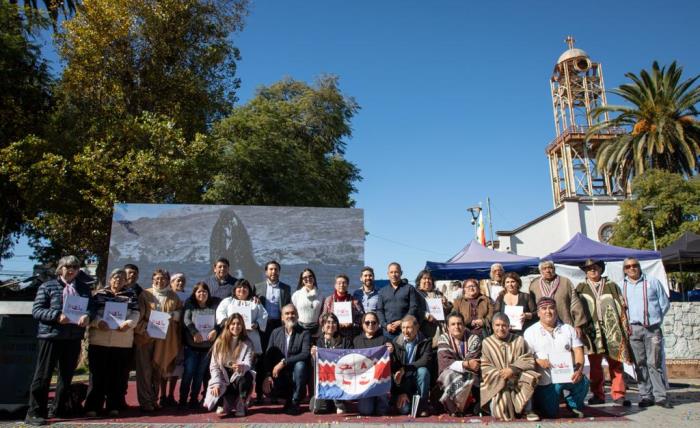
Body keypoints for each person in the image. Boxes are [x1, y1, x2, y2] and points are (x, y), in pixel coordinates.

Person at [25, 256, 96, 426]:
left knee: (66, 376)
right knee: (43, 376)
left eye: (75, 267)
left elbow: (91, 308)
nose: (71, 269)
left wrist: (87, 316)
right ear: (60, 268)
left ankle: (59, 408)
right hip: (51, 336)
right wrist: (57, 316)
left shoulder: (84, 289)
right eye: (67, 266)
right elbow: (37, 311)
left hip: (72, 337)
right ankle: (35, 412)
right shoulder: (47, 286)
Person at [575, 259, 632, 407]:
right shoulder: (581, 288)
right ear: (585, 272)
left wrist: (625, 326)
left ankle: (618, 394)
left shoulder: (611, 286)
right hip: (592, 332)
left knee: (616, 363)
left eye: (595, 268)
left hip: (613, 330)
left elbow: (622, 306)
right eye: (589, 269)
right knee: (595, 365)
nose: (592, 271)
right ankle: (597, 394)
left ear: (601, 269)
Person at [84, 268, 140, 417]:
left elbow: (136, 313)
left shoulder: (131, 295)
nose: (118, 280)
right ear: (110, 279)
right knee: (97, 376)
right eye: (115, 278)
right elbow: (91, 313)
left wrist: (129, 323)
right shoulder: (99, 294)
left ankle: (113, 406)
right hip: (99, 341)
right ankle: (93, 407)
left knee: (118, 377)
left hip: (121, 342)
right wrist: (97, 322)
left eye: (121, 278)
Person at [524, 297, 589, 419]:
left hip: (566, 375)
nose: (548, 311)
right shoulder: (530, 332)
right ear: (538, 313)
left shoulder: (568, 329)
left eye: (551, 308)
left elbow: (578, 350)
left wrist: (579, 370)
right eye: (544, 309)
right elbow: (526, 357)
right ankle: (541, 402)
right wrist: (538, 361)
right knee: (551, 414)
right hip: (546, 381)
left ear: (556, 311)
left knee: (583, 381)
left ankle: (573, 405)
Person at [621, 257, 672, 408]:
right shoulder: (621, 286)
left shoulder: (652, 282)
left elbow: (664, 303)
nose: (632, 268)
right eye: (628, 266)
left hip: (652, 328)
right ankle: (646, 395)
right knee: (640, 363)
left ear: (639, 266)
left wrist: (656, 319)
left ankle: (660, 396)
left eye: (634, 265)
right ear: (624, 270)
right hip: (633, 329)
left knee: (654, 363)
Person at [133, 269, 183, 412]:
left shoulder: (174, 296)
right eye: (157, 278)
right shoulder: (145, 294)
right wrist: (145, 329)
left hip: (164, 339)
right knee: (144, 371)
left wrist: (173, 315)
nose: (160, 281)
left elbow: (181, 313)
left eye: (163, 279)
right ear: (152, 279)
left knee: (158, 369)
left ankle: (154, 399)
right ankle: (145, 401)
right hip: (145, 338)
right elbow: (139, 316)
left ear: (167, 280)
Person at [480, 313, 540, 422]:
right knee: (499, 413)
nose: (501, 328)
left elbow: (528, 359)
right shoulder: (487, 343)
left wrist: (513, 369)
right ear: (493, 326)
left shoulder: (519, 340)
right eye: (497, 325)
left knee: (530, 375)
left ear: (509, 326)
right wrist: (502, 375)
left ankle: (528, 410)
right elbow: (485, 365)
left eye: (504, 325)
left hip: (517, 379)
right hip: (498, 381)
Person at [261, 304, 310, 415]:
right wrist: (267, 375)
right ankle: (287, 398)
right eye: (287, 313)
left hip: (296, 374)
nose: (290, 316)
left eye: (293, 313)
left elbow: (305, 354)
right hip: (280, 375)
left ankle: (295, 401)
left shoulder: (304, 333)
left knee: (300, 365)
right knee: (268, 388)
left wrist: (284, 362)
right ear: (282, 317)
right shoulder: (275, 333)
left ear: (297, 316)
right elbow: (268, 356)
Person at [204, 313, 255, 417]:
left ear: (242, 326)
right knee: (216, 391)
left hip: (238, 374)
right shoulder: (219, 342)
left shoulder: (247, 342)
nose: (236, 326)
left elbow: (248, 363)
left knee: (246, 378)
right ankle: (223, 403)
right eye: (233, 324)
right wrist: (216, 383)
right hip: (224, 374)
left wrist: (242, 366)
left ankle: (241, 402)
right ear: (228, 326)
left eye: (239, 324)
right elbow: (214, 366)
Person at [180, 282, 220, 409]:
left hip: (207, 348)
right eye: (199, 292)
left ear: (208, 293)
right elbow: (186, 320)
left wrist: (216, 330)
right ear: (194, 293)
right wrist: (194, 332)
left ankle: (193, 399)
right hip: (192, 347)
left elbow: (220, 321)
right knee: (188, 374)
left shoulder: (214, 306)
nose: (202, 294)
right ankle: (182, 400)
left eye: (204, 292)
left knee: (199, 375)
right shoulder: (190, 304)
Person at [436, 313, 481, 417]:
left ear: (464, 325)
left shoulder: (474, 339)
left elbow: (473, 363)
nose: (457, 326)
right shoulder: (443, 338)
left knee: (475, 409)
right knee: (449, 374)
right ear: (447, 327)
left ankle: (465, 405)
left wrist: (464, 364)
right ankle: (453, 408)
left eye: (459, 323)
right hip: (451, 377)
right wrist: (465, 363)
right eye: (453, 324)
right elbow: (445, 361)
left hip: (471, 379)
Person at [529, 261, 587, 338]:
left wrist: (578, 325)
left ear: (554, 269)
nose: (547, 271)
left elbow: (575, 303)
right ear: (540, 271)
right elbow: (532, 308)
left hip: (565, 323)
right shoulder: (534, 285)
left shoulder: (565, 282)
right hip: (543, 327)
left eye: (550, 268)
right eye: (544, 268)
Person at [310, 313, 353, 414]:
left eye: (334, 322)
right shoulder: (317, 342)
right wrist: (313, 356)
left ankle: (338, 401)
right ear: (323, 326)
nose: (331, 325)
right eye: (328, 322)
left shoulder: (345, 341)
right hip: (324, 383)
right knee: (316, 407)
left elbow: (350, 359)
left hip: (341, 379)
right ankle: (332, 402)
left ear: (337, 326)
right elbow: (314, 365)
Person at [353, 312, 393, 416]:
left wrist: (391, 352)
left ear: (378, 324)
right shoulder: (356, 341)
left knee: (382, 412)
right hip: (364, 383)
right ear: (362, 325)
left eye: (373, 322)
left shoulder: (385, 340)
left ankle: (382, 402)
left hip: (379, 380)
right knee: (365, 411)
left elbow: (392, 362)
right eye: (367, 322)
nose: (370, 325)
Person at [391, 315, 432, 416]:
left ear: (417, 327)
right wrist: (401, 392)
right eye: (403, 328)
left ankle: (423, 406)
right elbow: (395, 370)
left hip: (417, 376)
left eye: (409, 327)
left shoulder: (426, 340)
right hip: (404, 382)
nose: (406, 331)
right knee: (404, 410)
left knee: (423, 371)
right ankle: (407, 399)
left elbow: (424, 361)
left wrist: (405, 368)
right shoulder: (396, 342)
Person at [217, 279, 268, 356]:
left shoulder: (254, 302)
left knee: (250, 359)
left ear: (249, 290)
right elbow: (220, 312)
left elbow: (263, 315)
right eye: (239, 287)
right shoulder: (228, 301)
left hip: (250, 335)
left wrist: (257, 324)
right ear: (235, 289)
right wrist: (225, 321)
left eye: (245, 287)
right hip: (230, 335)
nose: (242, 289)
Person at [159, 273, 187, 407]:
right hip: (166, 336)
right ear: (171, 283)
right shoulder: (166, 296)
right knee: (165, 364)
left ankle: (171, 395)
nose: (180, 283)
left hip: (180, 336)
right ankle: (162, 395)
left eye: (182, 281)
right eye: (177, 281)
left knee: (177, 367)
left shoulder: (188, 297)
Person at [376, 262, 419, 339]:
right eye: (391, 272)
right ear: (388, 274)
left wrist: (402, 321)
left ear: (401, 273)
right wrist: (386, 325)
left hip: (405, 331)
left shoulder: (409, 288)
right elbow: (379, 310)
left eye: (396, 272)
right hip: (388, 332)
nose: (393, 275)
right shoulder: (382, 291)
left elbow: (413, 307)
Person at [414, 269, 451, 347]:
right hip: (423, 329)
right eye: (424, 278)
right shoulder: (415, 294)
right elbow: (414, 309)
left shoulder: (439, 293)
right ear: (419, 281)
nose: (427, 281)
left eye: (429, 279)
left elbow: (448, 311)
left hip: (440, 329)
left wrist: (446, 303)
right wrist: (426, 316)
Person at [321, 274, 364, 340]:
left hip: (350, 336)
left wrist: (352, 323)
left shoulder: (354, 301)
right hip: (333, 336)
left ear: (347, 285)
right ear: (335, 285)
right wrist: (331, 323)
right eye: (339, 283)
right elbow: (322, 318)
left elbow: (362, 318)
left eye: (344, 283)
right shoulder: (329, 300)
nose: (341, 285)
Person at [291, 268, 323, 337]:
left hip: (315, 329)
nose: (308, 279)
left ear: (314, 278)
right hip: (300, 329)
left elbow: (322, 313)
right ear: (302, 281)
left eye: (310, 276)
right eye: (305, 277)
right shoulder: (296, 294)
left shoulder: (320, 294)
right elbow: (293, 312)